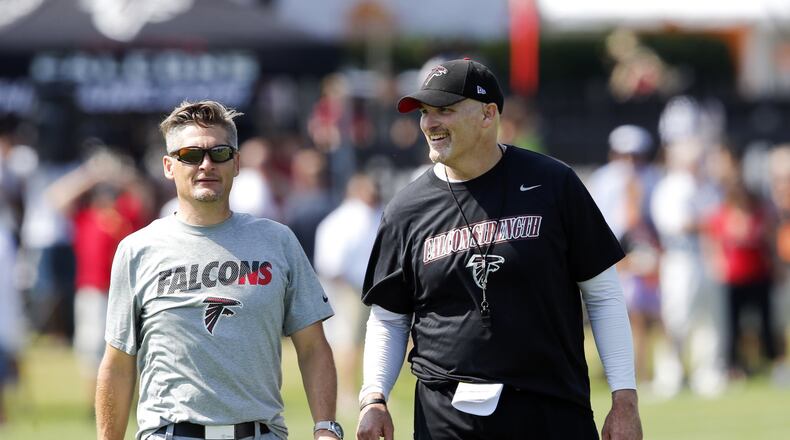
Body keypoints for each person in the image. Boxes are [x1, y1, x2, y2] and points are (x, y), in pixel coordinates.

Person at [356, 59, 642, 440]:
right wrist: (374, 398)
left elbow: (604, 296)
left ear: (488, 114)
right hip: (447, 419)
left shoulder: (554, 184)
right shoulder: (406, 209)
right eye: (425, 113)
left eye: (444, 110)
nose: (429, 123)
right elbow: (389, 318)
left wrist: (624, 399)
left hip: (551, 410)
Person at [95, 100, 344, 440]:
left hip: (259, 433)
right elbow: (119, 363)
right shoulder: (137, 249)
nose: (206, 165)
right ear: (169, 166)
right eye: (191, 155)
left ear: (237, 163)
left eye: (220, 153)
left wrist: (326, 427)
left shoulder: (278, 241)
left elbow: (313, 347)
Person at [313, 173, 382, 408]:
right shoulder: (355, 217)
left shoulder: (343, 217)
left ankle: (355, 391)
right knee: (348, 341)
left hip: (354, 287)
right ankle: (347, 393)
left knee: (356, 341)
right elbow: (333, 264)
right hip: (350, 288)